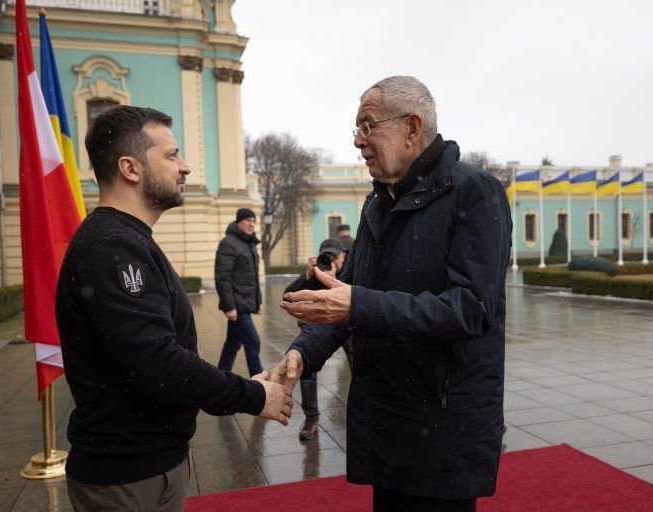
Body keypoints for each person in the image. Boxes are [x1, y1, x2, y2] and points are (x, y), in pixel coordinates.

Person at [271, 76, 512, 512]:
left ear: (412, 126)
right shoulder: (378, 203)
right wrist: (304, 351)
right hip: (387, 419)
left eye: (367, 126)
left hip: (442, 424)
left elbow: (472, 308)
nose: (359, 142)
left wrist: (358, 304)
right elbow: (351, 297)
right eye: (356, 130)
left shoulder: (475, 192)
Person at [55, 106, 292, 512]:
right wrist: (252, 395)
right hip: (125, 478)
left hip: (149, 463)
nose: (184, 167)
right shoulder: (113, 246)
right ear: (130, 168)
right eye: (171, 155)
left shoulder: (128, 238)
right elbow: (160, 364)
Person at [284, 238, 353, 441]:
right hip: (319, 329)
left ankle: (366, 412)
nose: (329, 261)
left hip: (350, 328)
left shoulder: (354, 268)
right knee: (306, 368)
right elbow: (287, 295)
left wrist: (334, 282)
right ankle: (311, 418)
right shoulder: (316, 271)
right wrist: (307, 277)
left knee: (360, 363)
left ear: (343, 255)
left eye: (333, 256)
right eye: (326, 256)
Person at [215, 208, 264, 377]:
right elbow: (222, 276)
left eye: (254, 220)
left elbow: (252, 277)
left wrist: (258, 303)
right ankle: (259, 382)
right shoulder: (228, 243)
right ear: (238, 222)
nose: (251, 224)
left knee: (233, 344)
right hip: (237, 304)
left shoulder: (249, 243)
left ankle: (219, 378)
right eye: (248, 220)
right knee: (253, 341)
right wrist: (229, 306)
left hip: (244, 303)